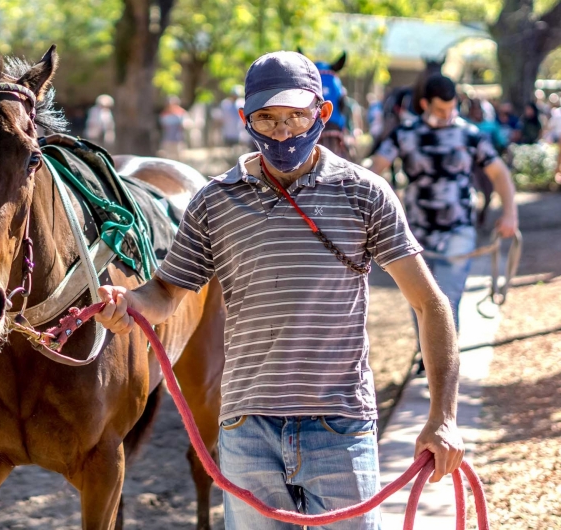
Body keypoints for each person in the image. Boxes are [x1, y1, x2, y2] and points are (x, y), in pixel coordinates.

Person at [96, 52, 464, 529]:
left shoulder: (365, 193)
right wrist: (129, 303)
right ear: (246, 119)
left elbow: (429, 303)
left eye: (296, 116)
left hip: (340, 427)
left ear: (322, 112)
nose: (283, 132)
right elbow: (167, 291)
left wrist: (443, 417)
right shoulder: (214, 201)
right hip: (247, 432)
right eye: (266, 119)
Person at [371, 74, 518, 365]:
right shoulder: (404, 134)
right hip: (413, 234)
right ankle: (427, 357)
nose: (448, 115)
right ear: (425, 103)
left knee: (446, 299)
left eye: (452, 108)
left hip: (458, 231)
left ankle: (442, 364)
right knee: (420, 300)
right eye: (440, 110)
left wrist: (510, 212)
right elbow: (375, 170)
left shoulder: (470, 134)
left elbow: (499, 173)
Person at [158, 96, 190, 160]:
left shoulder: (181, 113)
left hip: (178, 138)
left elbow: (187, 124)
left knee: (179, 157)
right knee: (167, 157)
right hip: (167, 139)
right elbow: (163, 125)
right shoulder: (165, 114)